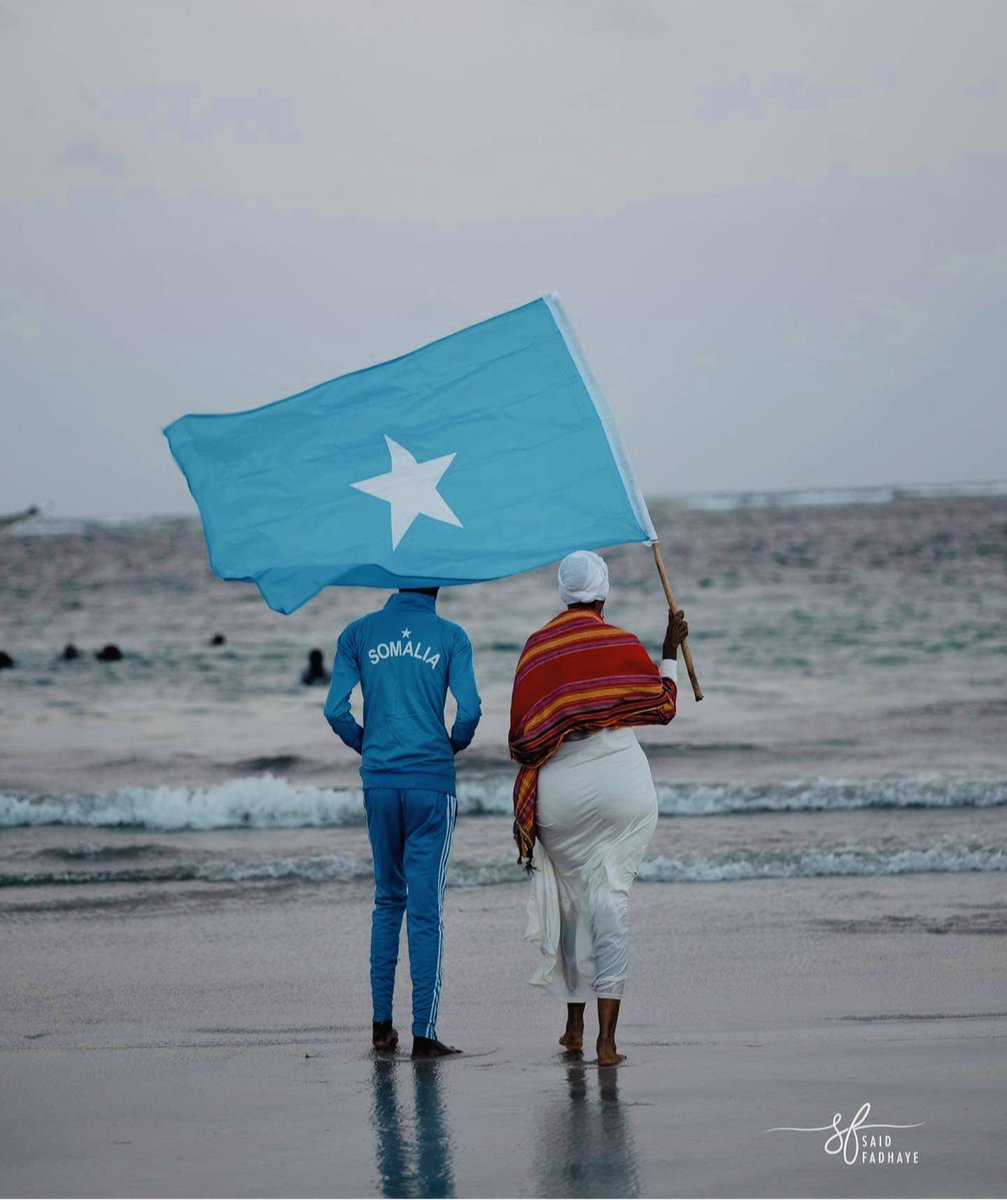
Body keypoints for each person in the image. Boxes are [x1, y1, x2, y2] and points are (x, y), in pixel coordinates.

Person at [509, 550, 688, 1067]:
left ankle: (574, 1029)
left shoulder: (538, 648)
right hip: (621, 786)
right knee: (610, 900)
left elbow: (523, 739)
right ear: (603, 593)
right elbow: (663, 706)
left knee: (572, 905)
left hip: (560, 794)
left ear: (564, 594)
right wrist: (669, 651)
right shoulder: (621, 642)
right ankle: (607, 1044)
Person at [324, 587, 481, 1058]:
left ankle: (380, 1027)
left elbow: (334, 709)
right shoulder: (452, 636)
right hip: (431, 784)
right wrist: (452, 744)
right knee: (426, 910)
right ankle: (424, 1035)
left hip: (380, 782)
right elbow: (470, 710)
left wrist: (367, 744)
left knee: (388, 901)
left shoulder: (357, 633)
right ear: (437, 583)